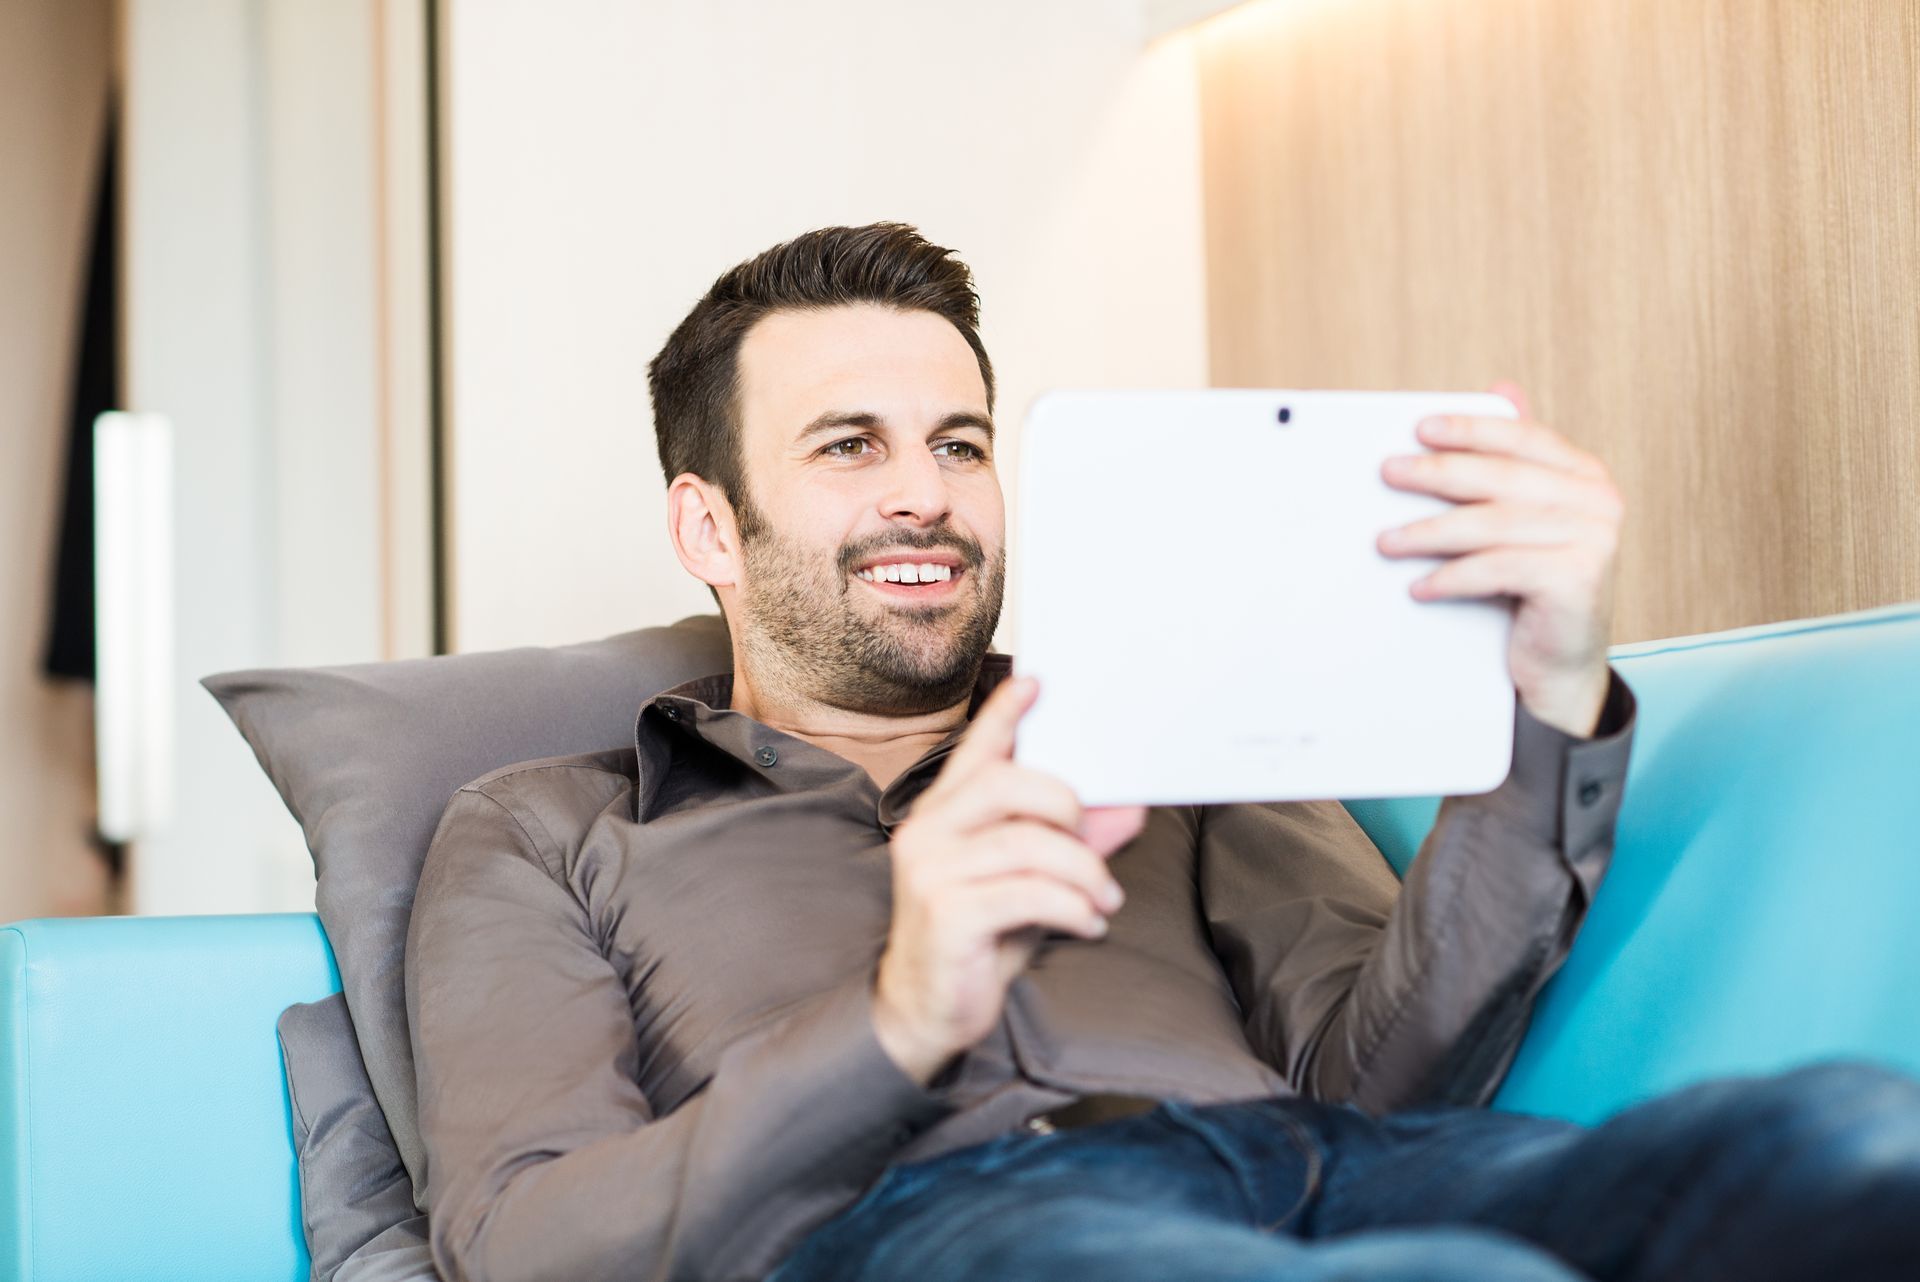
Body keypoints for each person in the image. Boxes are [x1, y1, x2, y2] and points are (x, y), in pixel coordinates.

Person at [404, 222, 1920, 1282]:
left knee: (1842, 1141)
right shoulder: (544, 831)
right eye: (848, 444)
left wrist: (1551, 687)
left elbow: (1379, 1062)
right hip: (943, 1225)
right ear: (707, 525)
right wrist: (895, 1017)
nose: (927, 494)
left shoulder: (1174, 724)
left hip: (1328, 1164)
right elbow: (529, 1243)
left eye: (962, 440)